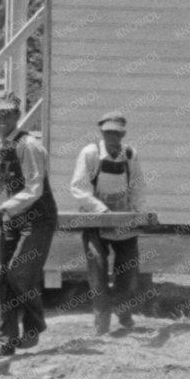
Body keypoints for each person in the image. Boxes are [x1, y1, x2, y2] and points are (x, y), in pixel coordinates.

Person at [0, 92, 57, 356]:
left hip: (38, 217)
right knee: (4, 279)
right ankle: (7, 341)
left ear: (17, 115)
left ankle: (35, 325)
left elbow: (34, 188)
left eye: (8, 114)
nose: (2, 119)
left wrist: (3, 208)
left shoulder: (29, 145)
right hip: (12, 217)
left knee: (20, 272)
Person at [69, 111, 145, 335]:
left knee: (128, 272)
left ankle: (124, 311)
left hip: (124, 221)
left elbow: (138, 187)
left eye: (117, 133)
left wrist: (139, 214)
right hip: (96, 221)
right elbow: (78, 188)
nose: (113, 137)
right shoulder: (90, 153)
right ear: (102, 132)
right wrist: (102, 211)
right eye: (108, 132)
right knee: (98, 274)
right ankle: (101, 323)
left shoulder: (130, 154)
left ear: (123, 134)